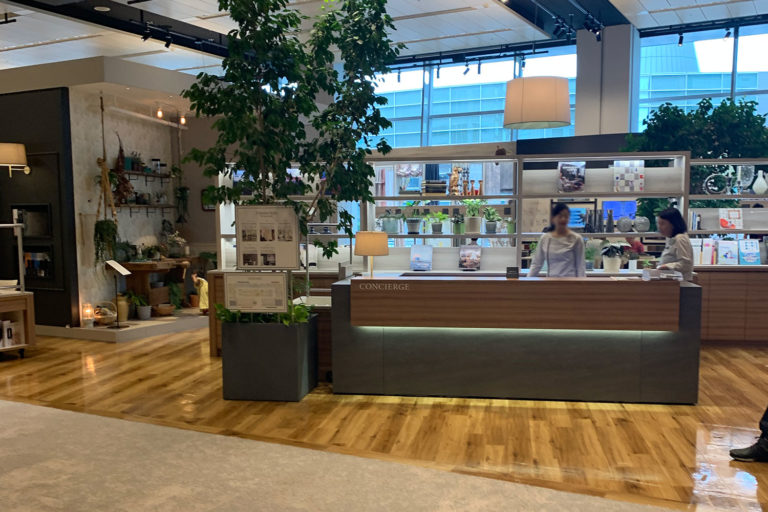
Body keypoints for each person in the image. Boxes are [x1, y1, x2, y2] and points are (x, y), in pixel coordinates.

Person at [529, 203, 586, 278]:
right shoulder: (545, 238)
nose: (563, 219)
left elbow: (580, 266)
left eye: (566, 216)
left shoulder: (576, 239)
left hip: (571, 282)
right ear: (553, 218)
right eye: (560, 216)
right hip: (551, 282)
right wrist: (527, 282)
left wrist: (582, 284)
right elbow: (536, 264)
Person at [656, 207, 694, 281]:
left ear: (673, 224)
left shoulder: (680, 238)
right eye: (659, 224)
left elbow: (685, 264)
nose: (659, 228)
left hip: (680, 283)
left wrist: (666, 266)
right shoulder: (671, 238)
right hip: (671, 282)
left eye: (663, 224)